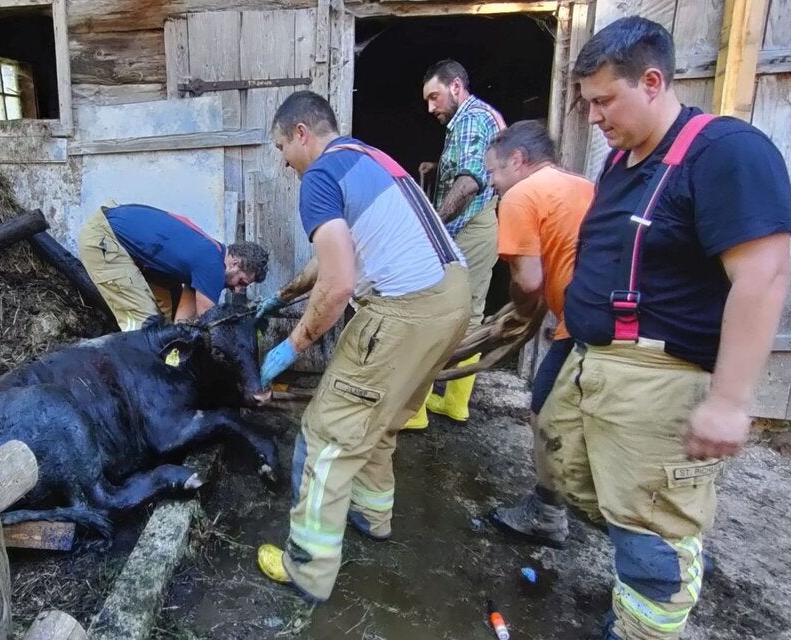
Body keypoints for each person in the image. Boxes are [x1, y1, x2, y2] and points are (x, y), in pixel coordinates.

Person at [539, 17, 791, 639]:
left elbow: (764, 276)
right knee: (576, 475)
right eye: (587, 102)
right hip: (594, 359)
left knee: (653, 531)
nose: (592, 117)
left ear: (652, 82)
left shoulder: (724, 152)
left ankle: (646, 620)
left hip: (658, 375)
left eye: (604, 100)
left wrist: (731, 402)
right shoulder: (623, 162)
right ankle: (635, 579)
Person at [254, 90, 472, 602]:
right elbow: (337, 257)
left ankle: (306, 567)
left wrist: (290, 346)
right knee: (383, 416)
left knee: (327, 433)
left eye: (282, 147)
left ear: (301, 134)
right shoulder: (372, 159)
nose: (285, 162)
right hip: (451, 298)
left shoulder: (320, 178)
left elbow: (337, 286)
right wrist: (284, 294)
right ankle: (372, 515)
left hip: (403, 309)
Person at [478, 120, 594, 548]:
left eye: (493, 172)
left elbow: (528, 282)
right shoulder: (582, 185)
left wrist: (522, 312)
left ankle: (549, 514)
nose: (491, 183)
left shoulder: (521, 195)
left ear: (518, 160)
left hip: (584, 326)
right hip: (596, 318)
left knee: (544, 410)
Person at [405, 59, 507, 428]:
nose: (431, 107)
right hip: (483, 225)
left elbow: (469, 183)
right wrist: (438, 167)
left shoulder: (469, 119)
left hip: (469, 229)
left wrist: (432, 222)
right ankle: (454, 404)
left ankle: (413, 411)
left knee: (433, 312)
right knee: (471, 315)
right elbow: (473, 168)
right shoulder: (481, 116)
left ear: (456, 87)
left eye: (435, 97)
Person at [78, 203, 269, 328]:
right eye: (242, 282)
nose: (237, 290)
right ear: (234, 263)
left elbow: (181, 324)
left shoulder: (211, 252)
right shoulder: (212, 266)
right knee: (146, 324)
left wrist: (180, 333)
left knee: (165, 325)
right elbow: (211, 322)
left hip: (113, 227)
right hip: (105, 240)